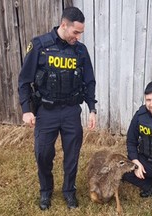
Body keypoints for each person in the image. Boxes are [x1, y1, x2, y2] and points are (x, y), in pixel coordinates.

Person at [18, 7, 97, 210]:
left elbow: (89, 81)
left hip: (71, 111)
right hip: (46, 111)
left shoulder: (80, 50)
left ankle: (69, 191)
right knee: (43, 154)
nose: (78, 37)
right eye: (76, 32)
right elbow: (24, 80)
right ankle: (46, 191)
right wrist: (27, 109)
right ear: (64, 25)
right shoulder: (39, 46)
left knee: (72, 155)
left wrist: (92, 108)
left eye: (80, 33)